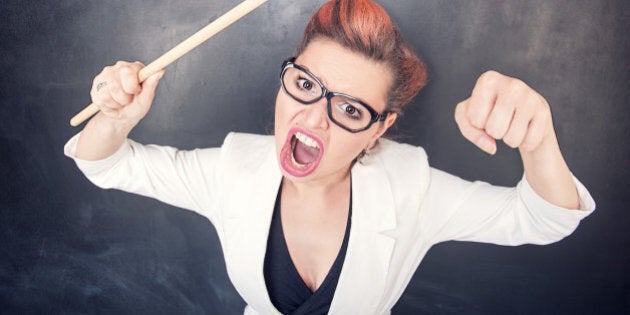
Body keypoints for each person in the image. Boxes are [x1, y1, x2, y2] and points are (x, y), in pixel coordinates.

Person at [64, 0, 595, 314]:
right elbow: (104, 163)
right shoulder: (232, 169)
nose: (313, 119)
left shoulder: (413, 189)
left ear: (378, 130)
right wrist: (116, 116)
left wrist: (538, 137)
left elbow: (544, 218)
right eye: (304, 85)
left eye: (350, 109)